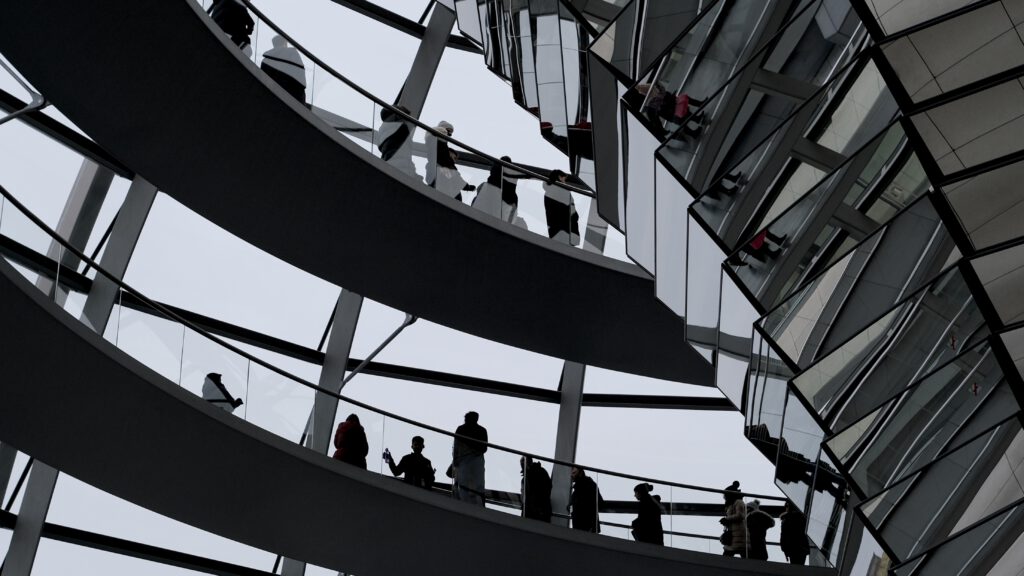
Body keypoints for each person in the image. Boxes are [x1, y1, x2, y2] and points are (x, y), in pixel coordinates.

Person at [425, 121, 474, 201]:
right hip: (444, 195)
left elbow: (456, 178)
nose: (450, 134)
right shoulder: (441, 156)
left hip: (448, 196)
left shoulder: (445, 162)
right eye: (448, 131)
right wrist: (466, 186)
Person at [450, 411, 487, 505]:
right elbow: (456, 446)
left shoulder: (462, 429)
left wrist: (455, 459)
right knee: (467, 483)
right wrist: (455, 459)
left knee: (469, 483)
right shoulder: (480, 430)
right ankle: (469, 502)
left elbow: (456, 446)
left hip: (472, 460)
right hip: (467, 460)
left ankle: (467, 502)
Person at [260, 35, 306, 103]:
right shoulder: (292, 52)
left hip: (271, 93)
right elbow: (300, 73)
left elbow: (262, 77)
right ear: (285, 42)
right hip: (291, 92)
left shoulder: (266, 59)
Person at [377, 106, 416, 177]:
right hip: (401, 167)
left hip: (388, 163)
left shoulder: (384, 129)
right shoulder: (400, 126)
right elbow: (403, 152)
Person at [543, 169, 579, 246]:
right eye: (564, 179)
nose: (565, 182)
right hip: (564, 231)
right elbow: (571, 211)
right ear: (559, 177)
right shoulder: (562, 191)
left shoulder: (548, 192)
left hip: (554, 231)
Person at [569, 466, 603, 532]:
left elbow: (599, 503)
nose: (571, 475)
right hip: (584, 526)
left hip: (586, 526)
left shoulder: (587, 486)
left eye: (574, 473)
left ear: (580, 473)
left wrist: (572, 509)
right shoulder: (579, 488)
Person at [520, 457, 552, 522]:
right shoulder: (541, 472)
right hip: (539, 511)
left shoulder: (527, 478)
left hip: (536, 512)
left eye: (523, 463)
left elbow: (546, 489)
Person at [779, 501, 810, 565]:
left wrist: (785, 550)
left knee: (795, 567)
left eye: (786, 506)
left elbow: (783, 536)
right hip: (802, 547)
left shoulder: (786, 519)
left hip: (792, 548)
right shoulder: (802, 518)